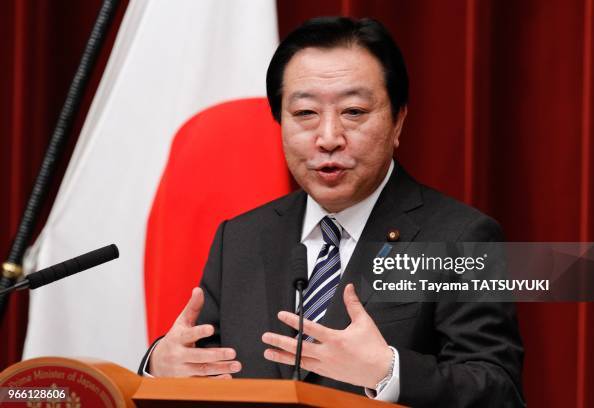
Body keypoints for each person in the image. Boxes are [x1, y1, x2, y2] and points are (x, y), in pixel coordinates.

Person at [139, 17, 525, 407]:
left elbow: (498, 389)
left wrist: (389, 371)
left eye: (353, 112)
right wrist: (158, 367)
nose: (327, 138)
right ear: (280, 122)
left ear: (397, 122)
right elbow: (200, 364)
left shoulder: (461, 238)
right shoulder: (239, 238)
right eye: (305, 113)